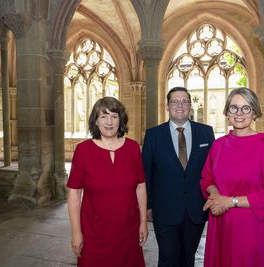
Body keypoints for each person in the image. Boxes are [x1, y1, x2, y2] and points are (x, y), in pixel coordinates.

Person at [200, 87, 264, 267]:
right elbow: (207, 177)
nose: (239, 113)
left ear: (254, 113)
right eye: (234, 108)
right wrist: (215, 197)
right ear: (227, 112)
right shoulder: (218, 145)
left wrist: (229, 201)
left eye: (246, 108)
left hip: (251, 229)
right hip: (221, 224)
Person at [67, 97, 148, 267]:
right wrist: (76, 232)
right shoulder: (83, 150)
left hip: (128, 232)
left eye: (114, 116)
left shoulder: (133, 148)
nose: (109, 122)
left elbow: (140, 186)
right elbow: (74, 192)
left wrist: (143, 223)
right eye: (103, 116)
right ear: (96, 121)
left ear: (121, 120)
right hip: (94, 233)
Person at [142, 86, 215, 267]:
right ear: (167, 106)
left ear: (190, 105)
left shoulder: (206, 132)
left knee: (188, 259)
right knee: (168, 258)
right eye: (175, 101)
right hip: (164, 210)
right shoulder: (153, 135)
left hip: (196, 210)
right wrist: (148, 206)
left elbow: (213, 170)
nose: (179, 105)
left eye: (184, 101)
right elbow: (146, 174)